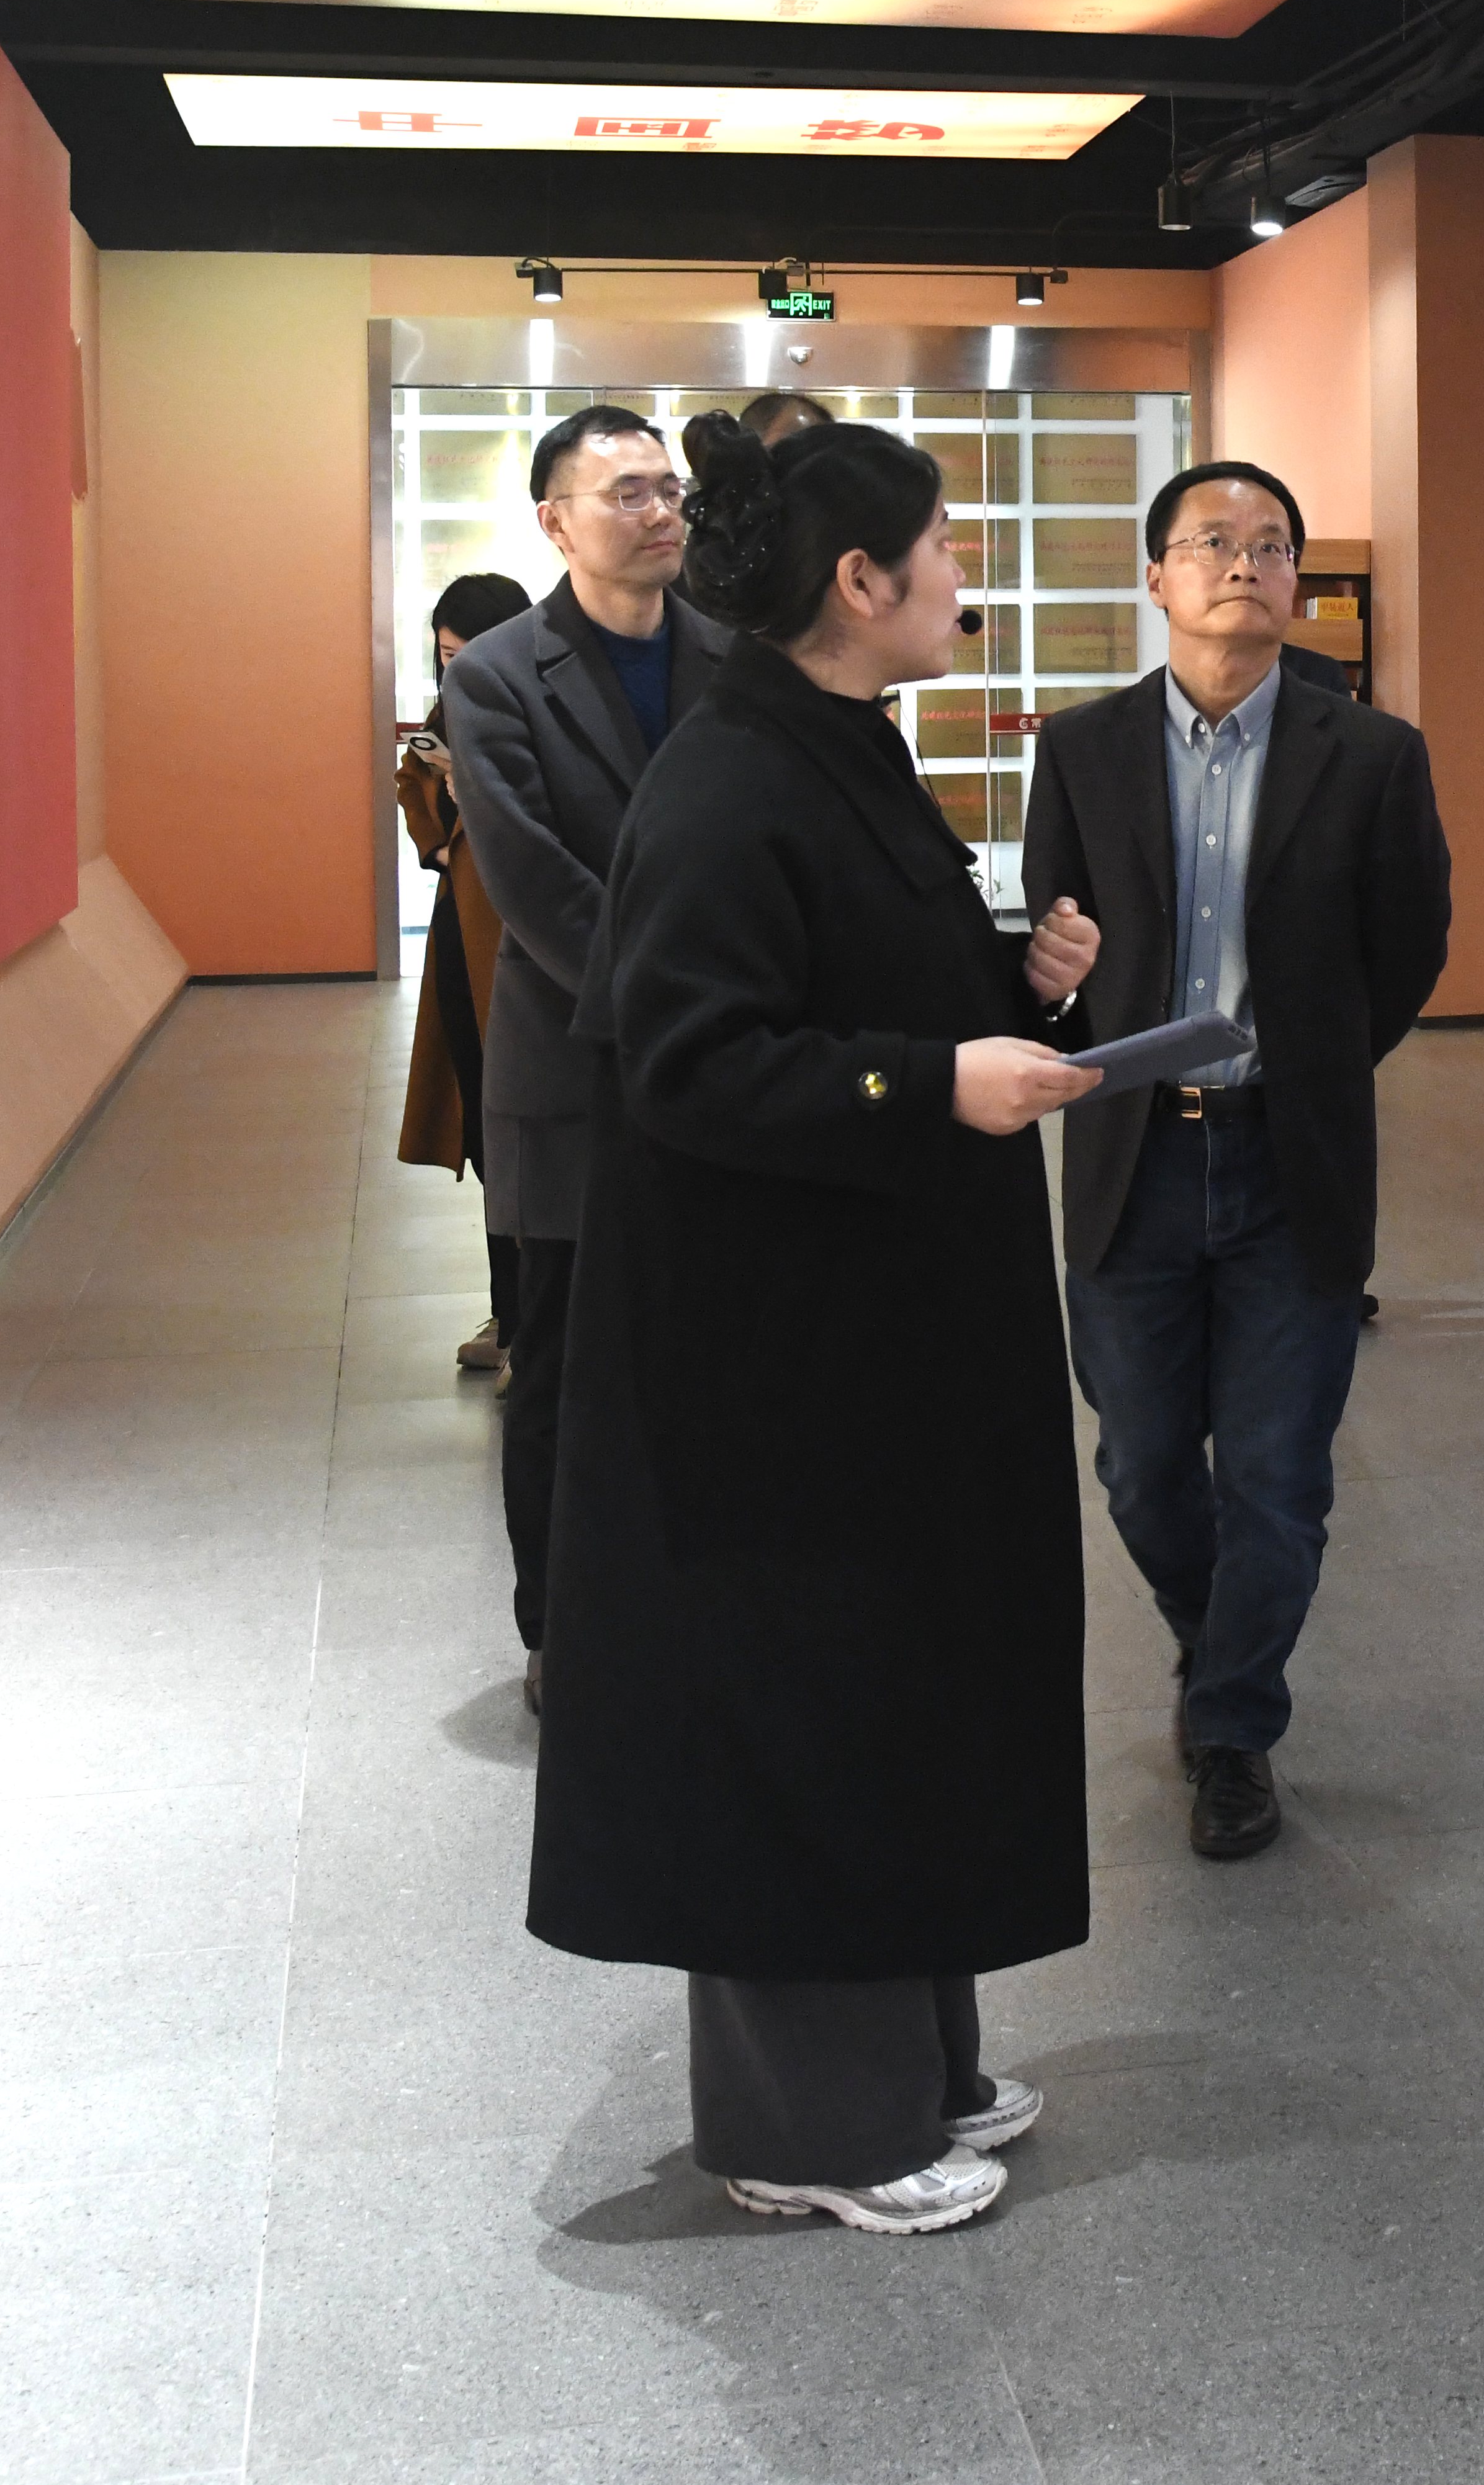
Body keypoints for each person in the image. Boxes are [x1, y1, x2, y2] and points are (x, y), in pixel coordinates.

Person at [527, 414, 1104, 2237]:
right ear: (861, 580)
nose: (963, 572)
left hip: (877, 1336)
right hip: (778, 1364)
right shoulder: (730, 780)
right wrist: (938, 1079)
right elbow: (696, 1061)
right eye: (943, 544)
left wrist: (1010, 990)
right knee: (810, 1713)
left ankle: (913, 2067)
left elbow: (846, 981)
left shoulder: (835, 744)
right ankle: (811, 2129)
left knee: (899, 1694)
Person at [1023, 460, 1452, 1864]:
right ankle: (1216, 1644)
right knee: (1144, 1466)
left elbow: (1410, 947)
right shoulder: (1082, 747)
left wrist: (1312, 1065)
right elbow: (1054, 949)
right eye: (1212, 541)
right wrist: (1049, 990)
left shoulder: (1372, 752)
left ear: (1295, 581)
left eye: (1272, 546)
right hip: (1134, 1154)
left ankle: (1233, 1726)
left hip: (1290, 1160)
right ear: (1156, 576)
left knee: (1276, 1475)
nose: (1244, 565)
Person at [443, 411, 734, 1707]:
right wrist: (689, 999)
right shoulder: (500, 675)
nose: (662, 510)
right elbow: (533, 883)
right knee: (561, 1370)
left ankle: (699, 1601)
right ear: (554, 520)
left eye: (669, 488)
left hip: (724, 1074)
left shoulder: (736, 658)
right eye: (627, 492)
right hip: (575, 1068)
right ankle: (559, 1627)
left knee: (707, 1354)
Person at [397, 572, 533, 1371]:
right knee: (482, 1122)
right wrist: (439, 840)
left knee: (522, 1126)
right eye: (447, 658)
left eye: (471, 656)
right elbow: (413, 787)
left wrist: (477, 788)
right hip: (460, 928)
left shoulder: (540, 709)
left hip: (518, 938)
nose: (459, 674)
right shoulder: (449, 716)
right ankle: (509, 1311)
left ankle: (532, 1324)